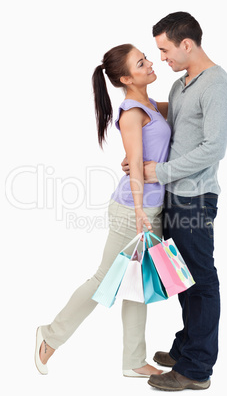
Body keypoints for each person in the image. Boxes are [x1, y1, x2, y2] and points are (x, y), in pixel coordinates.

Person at [34, 44, 171, 378]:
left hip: (150, 209)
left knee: (140, 283)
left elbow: (180, 110)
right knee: (103, 282)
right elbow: (135, 163)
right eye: (142, 62)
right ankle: (50, 336)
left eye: (147, 57)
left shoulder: (151, 104)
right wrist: (141, 211)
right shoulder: (132, 111)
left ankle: (134, 362)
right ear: (125, 77)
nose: (151, 63)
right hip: (133, 210)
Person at [122, 12, 227, 391]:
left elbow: (213, 147)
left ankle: (196, 369)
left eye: (165, 50)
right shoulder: (181, 84)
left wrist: (160, 172)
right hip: (174, 196)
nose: (162, 59)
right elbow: (176, 116)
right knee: (183, 280)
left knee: (201, 281)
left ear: (186, 44)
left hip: (194, 198)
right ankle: (188, 345)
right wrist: (139, 141)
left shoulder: (217, 85)